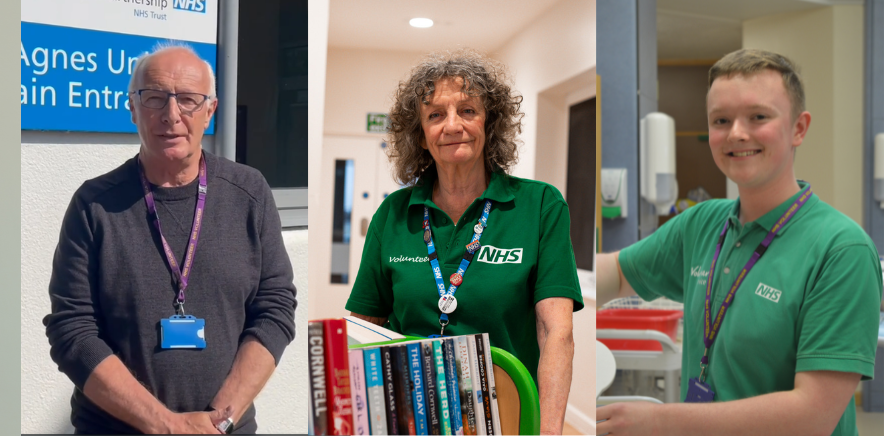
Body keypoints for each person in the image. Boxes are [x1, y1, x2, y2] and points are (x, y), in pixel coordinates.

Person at [595, 49, 880, 436]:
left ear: (799, 128)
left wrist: (661, 421)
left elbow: (813, 415)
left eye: (758, 117)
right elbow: (614, 272)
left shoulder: (841, 250)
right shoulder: (701, 223)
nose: (736, 134)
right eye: (721, 120)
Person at [42, 44, 297, 434]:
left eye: (189, 101)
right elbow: (72, 331)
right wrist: (166, 426)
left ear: (210, 111)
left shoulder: (249, 193)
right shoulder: (94, 205)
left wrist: (219, 421)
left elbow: (275, 308)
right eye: (155, 98)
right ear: (132, 108)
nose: (171, 115)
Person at [343, 48, 582, 435]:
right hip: (409, 413)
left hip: (505, 413)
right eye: (435, 115)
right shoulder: (394, 212)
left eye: (468, 110)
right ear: (420, 136)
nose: (452, 125)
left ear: (491, 123)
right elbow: (364, 327)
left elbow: (556, 332)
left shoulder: (540, 205)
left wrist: (550, 430)